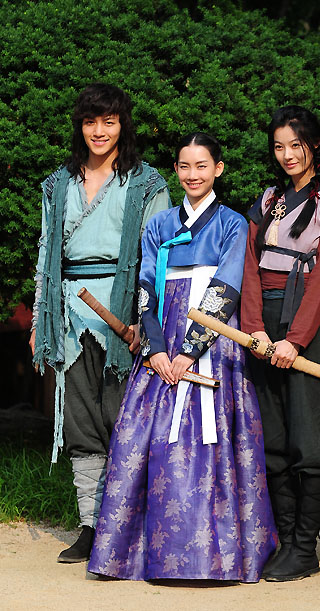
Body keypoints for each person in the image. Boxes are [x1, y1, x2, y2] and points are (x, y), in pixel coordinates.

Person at [87, 132, 277, 582]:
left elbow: (226, 288)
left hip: (213, 340)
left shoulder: (232, 223)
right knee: (143, 437)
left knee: (218, 438)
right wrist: (155, 350)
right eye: (185, 166)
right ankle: (138, 555)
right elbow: (146, 290)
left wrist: (190, 352)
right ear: (175, 170)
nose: (193, 175)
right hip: (162, 338)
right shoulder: (159, 225)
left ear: (218, 169)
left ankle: (218, 556)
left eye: (202, 166)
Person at [30, 83, 171, 563]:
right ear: (81, 125)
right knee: (81, 422)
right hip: (68, 314)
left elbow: (158, 259)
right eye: (90, 121)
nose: (99, 130)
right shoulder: (58, 184)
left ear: (122, 125)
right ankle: (91, 525)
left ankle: (129, 524)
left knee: (124, 419)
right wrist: (40, 318)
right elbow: (47, 254)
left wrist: (147, 322)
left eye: (109, 121)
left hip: (123, 314)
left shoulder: (147, 184)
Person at [240, 106, 320, 581]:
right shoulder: (268, 200)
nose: (287, 155)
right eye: (279, 146)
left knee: (310, 438)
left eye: (296, 145)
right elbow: (248, 265)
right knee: (273, 439)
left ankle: (305, 548)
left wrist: (297, 341)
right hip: (262, 329)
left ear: (315, 145)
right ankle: (287, 542)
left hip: (307, 326)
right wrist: (254, 329)